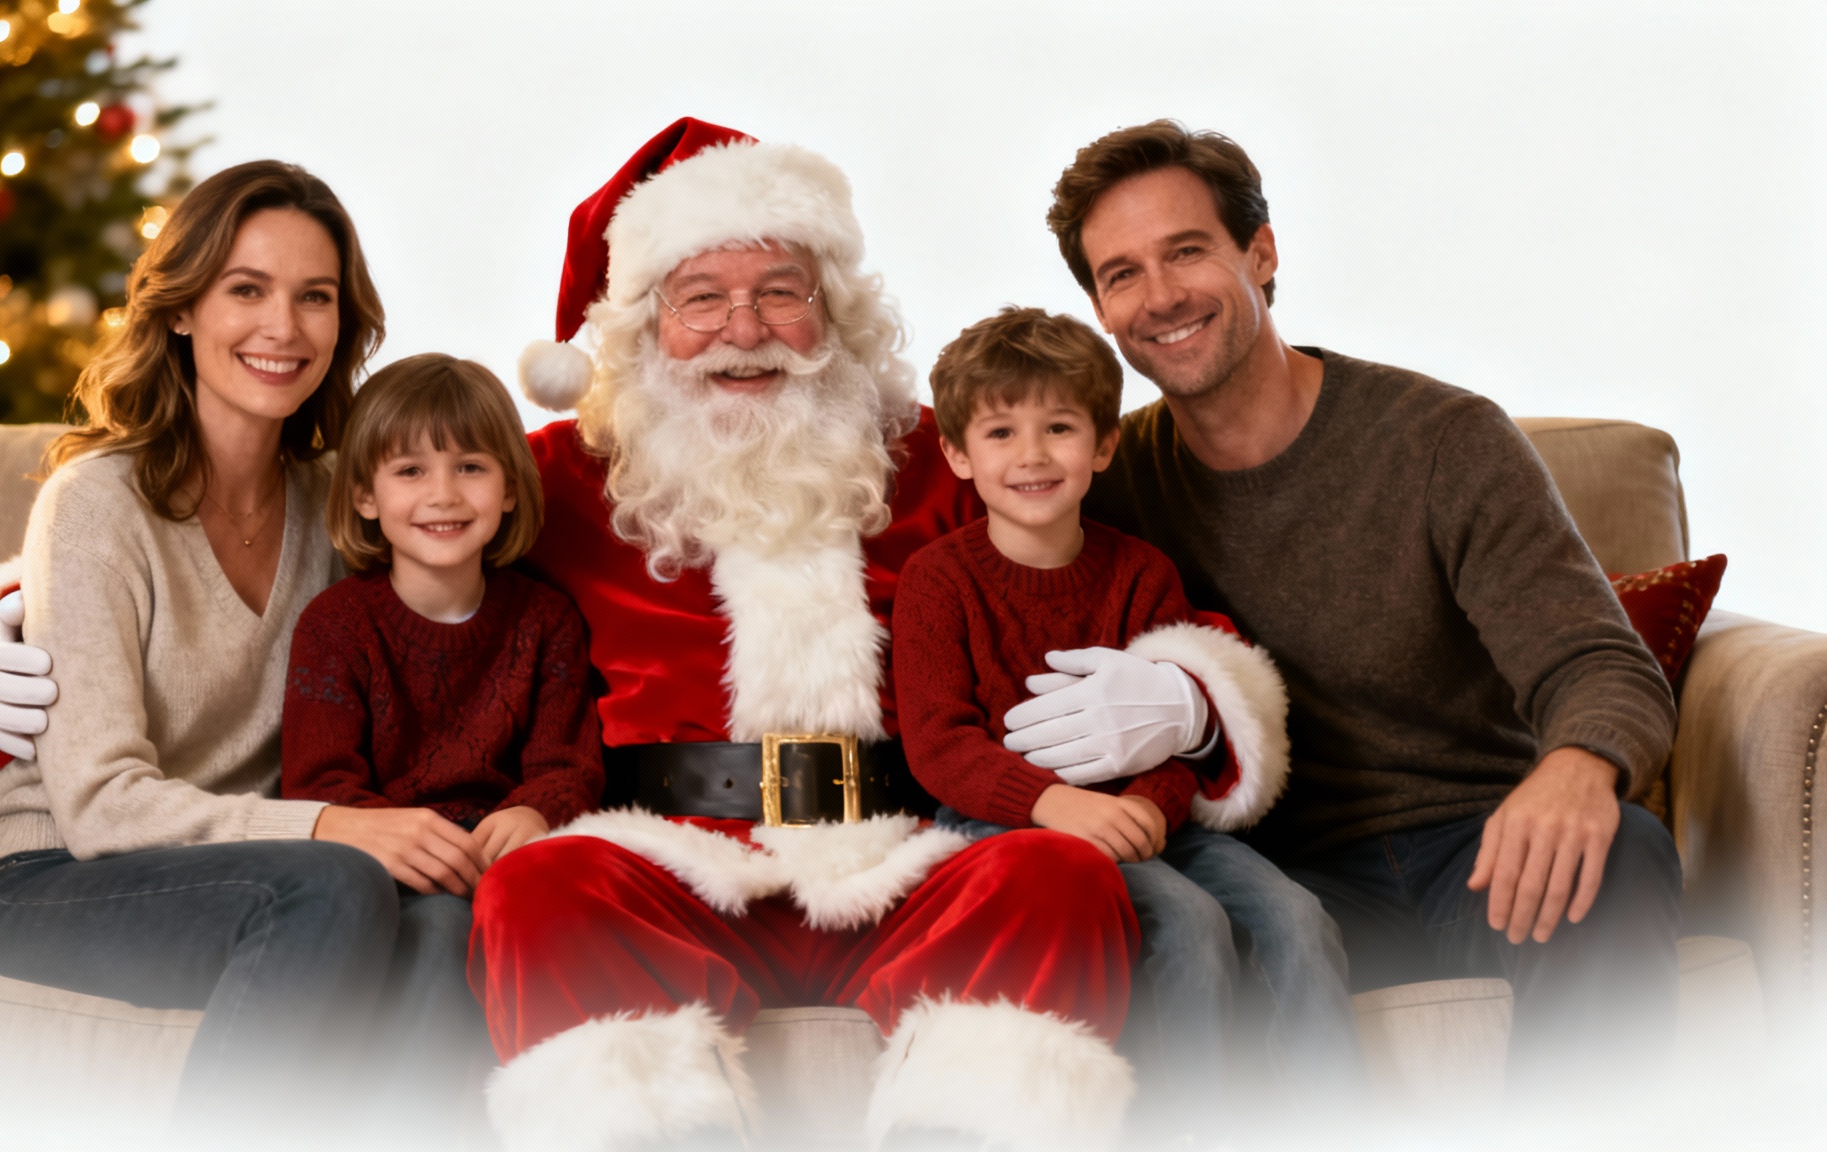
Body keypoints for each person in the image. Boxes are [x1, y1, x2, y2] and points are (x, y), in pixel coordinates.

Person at [467, 119, 1233, 1151]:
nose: (746, 327)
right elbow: (423, 591)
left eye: (781, 290)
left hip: (905, 858)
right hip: (671, 865)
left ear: (832, 307)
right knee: (537, 888)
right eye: (701, 297)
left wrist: (1187, 693)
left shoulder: (942, 456)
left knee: (1055, 878)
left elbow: (1112, 584)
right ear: (643, 324)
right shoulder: (553, 477)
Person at [1032, 120, 1683, 1094]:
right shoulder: (1102, 487)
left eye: (1187, 251)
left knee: (1623, 851)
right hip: (1285, 881)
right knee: (1157, 921)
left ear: (1260, 252)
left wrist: (1576, 766)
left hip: (1479, 847)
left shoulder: (1441, 440)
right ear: (1098, 307)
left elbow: (1596, 660)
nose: (1159, 296)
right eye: (1121, 274)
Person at [0, 161, 487, 1145]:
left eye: (314, 297)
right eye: (246, 289)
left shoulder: (345, 506)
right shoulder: (96, 503)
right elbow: (100, 805)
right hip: (52, 882)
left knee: (449, 920)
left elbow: (477, 585)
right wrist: (329, 828)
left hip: (270, 875)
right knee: (336, 883)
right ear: (182, 309)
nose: (283, 327)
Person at [893, 304, 1357, 1110]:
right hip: (1007, 828)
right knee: (1187, 921)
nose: (1033, 455)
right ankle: (1191, 1129)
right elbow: (940, 746)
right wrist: (1056, 804)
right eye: (1001, 433)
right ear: (959, 454)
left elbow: (1176, 727)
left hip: (1148, 818)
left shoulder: (1142, 572)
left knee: (1298, 914)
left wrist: (1148, 807)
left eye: (1060, 428)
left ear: (1104, 444)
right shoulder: (937, 581)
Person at [282, 352, 603, 869]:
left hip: (510, 863)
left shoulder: (546, 620)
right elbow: (318, 786)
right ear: (365, 496)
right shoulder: (335, 626)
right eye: (410, 471)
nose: (443, 495)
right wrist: (408, 844)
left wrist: (535, 812)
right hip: (387, 868)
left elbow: (568, 768)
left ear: (510, 489)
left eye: (470, 467)